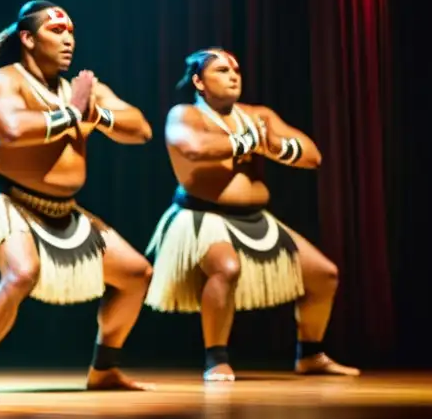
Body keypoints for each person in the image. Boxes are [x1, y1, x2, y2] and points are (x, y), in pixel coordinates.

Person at [0, 1, 155, 391]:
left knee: (136, 274)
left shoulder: (83, 89)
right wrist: (72, 113)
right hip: (6, 199)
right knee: (20, 274)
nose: (68, 40)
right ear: (28, 39)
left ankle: (104, 369)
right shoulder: (5, 80)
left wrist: (97, 115)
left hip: (63, 209)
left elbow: (141, 128)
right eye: (57, 31)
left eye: (71, 32)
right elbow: (10, 128)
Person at [144, 48, 360, 381]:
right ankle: (216, 359)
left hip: (256, 219)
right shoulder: (185, 114)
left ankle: (310, 354)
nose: (233, 75)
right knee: (225, 268)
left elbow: (312, 156)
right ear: (199, 81)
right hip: (203, 216)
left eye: (236, 70)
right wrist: (247, 142)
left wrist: (276, 146)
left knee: (324, 275)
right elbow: (194, 148)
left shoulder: (258, 115)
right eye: (221, 70)